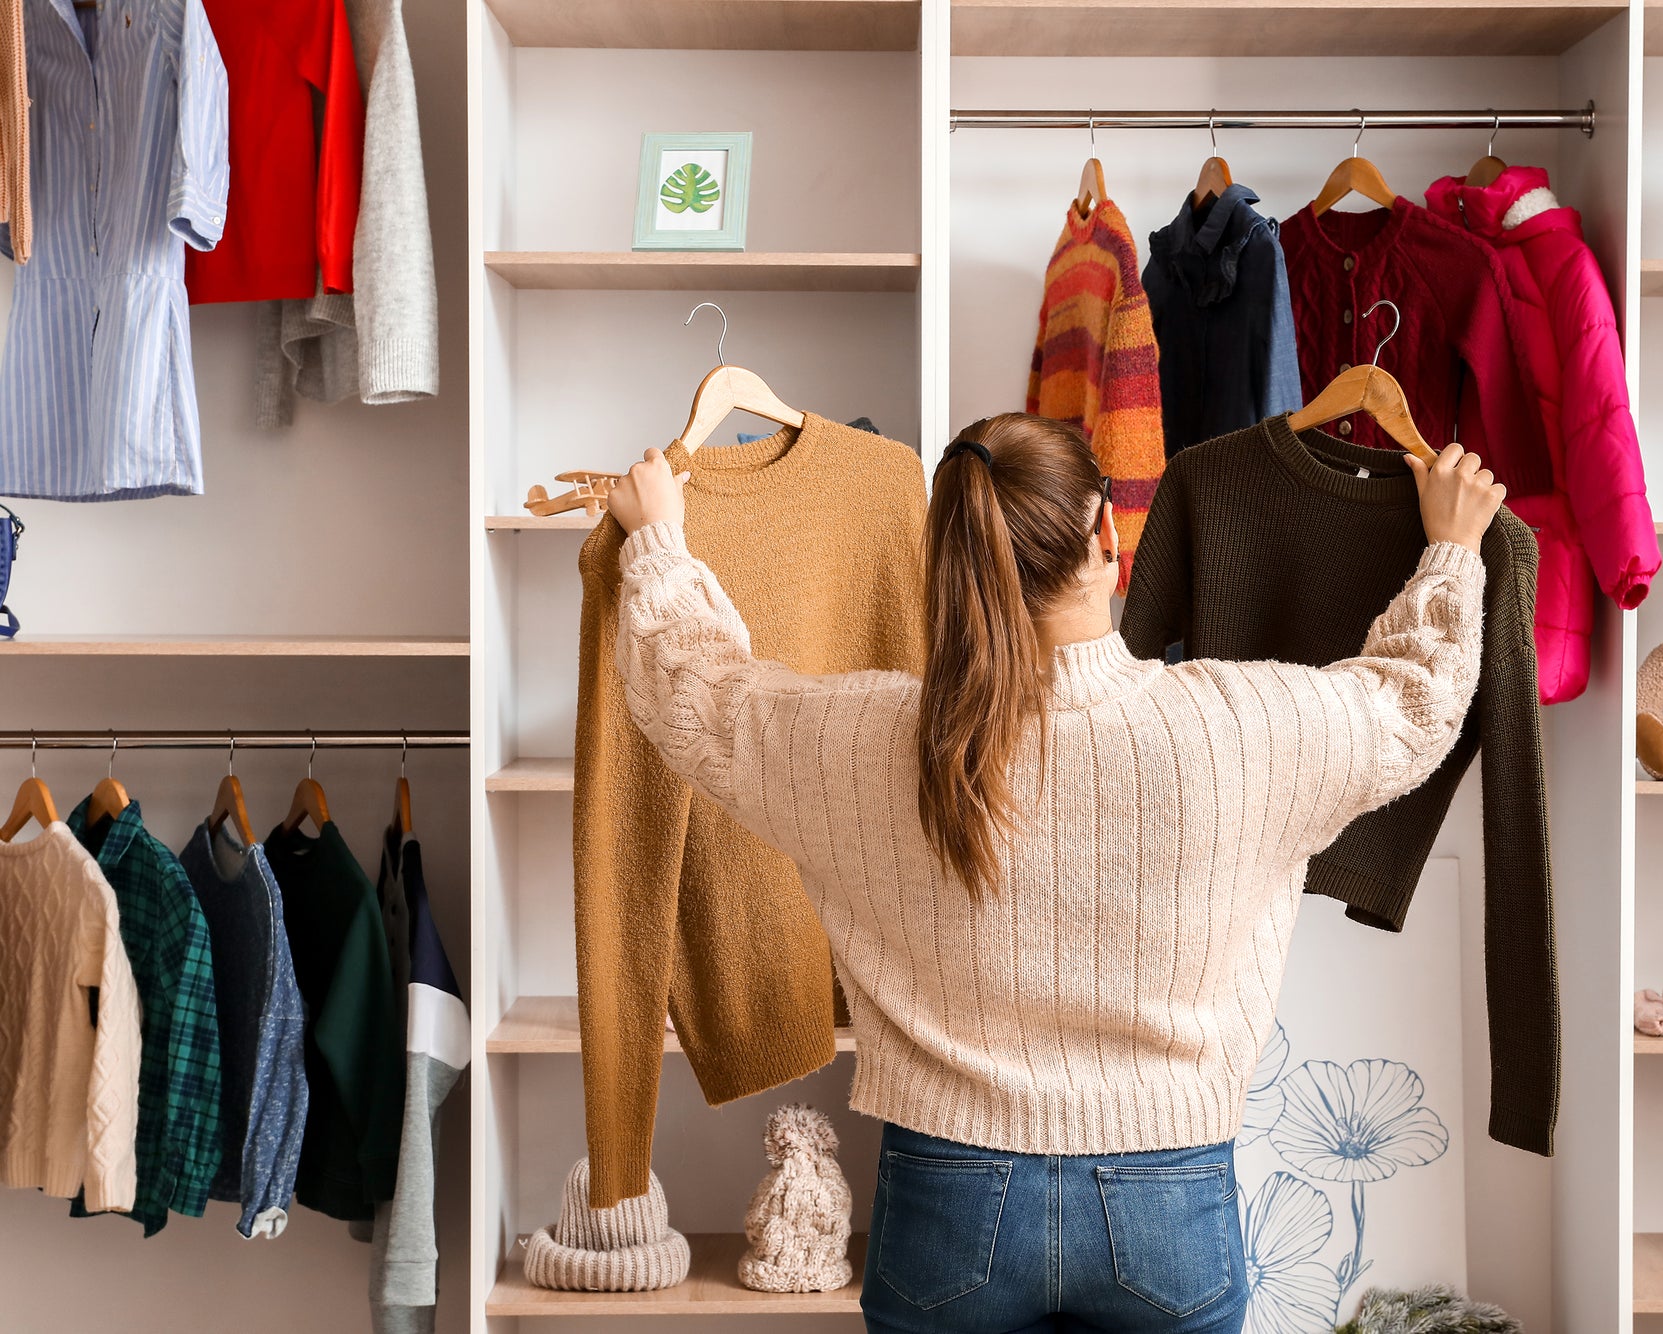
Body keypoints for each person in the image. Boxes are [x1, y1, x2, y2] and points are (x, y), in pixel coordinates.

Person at [605, 413, 1504, 1334]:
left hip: (947, 1201)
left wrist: (660, 545)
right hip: (1170, 1194)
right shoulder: (1241, 729)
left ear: (946, 560)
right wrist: (1451, 550)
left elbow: (699, 697)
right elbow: (1415, 699)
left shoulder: (866, 741)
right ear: (1106, 534)